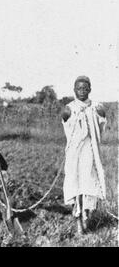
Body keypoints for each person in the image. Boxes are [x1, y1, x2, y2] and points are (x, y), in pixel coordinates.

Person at [61, 75, 107, 234]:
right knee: (75, 185)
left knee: (89, 183)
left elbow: (101, 127)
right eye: (79, 88)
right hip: (74, 153)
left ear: (90, 89)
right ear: (74, 90)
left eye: (85, 88)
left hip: (90, 151)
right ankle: (78, 221)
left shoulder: (97, 107)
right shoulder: (69, 108)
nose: (82, 91)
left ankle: (87, 215)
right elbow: (66, 127)